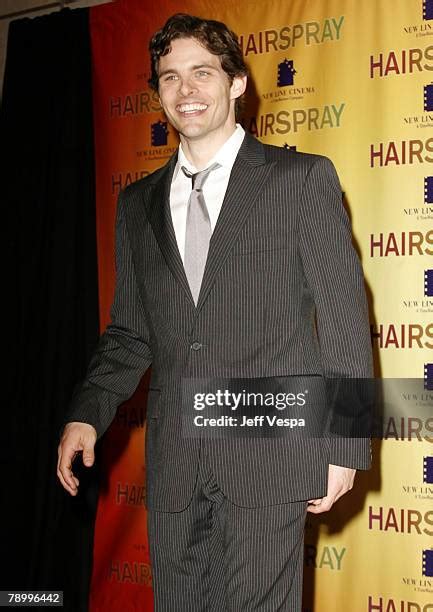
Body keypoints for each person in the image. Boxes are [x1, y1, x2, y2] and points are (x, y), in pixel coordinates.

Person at [57, 13, 373, 611]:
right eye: (170, 78)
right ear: (158, 95)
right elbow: (130, 331)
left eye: (202, 72)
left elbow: (344, 320)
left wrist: (344, 444)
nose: (185, 90)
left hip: (270, 454)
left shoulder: (300, 179)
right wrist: (86, 412)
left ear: (235, 84)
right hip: (177, 462)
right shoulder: (137, 204)